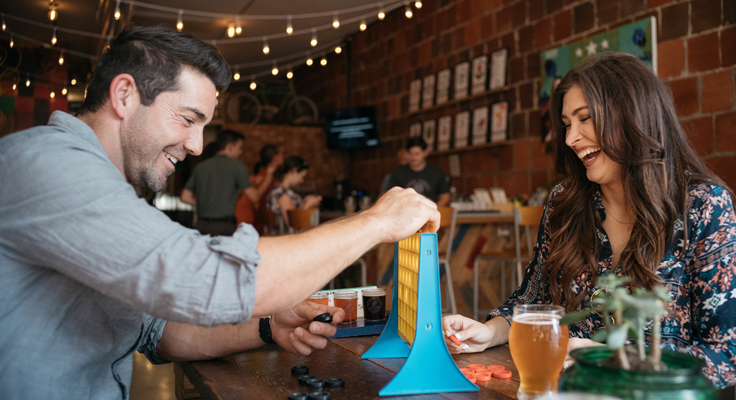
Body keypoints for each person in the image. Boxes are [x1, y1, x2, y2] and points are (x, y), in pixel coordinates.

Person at [0, 27, 440, 400]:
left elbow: (160, 331)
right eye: (188, 119)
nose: (195, 145)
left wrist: (267, 326)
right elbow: (207, 281)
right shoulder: (50, 165)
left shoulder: (106, 190)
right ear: (125, 95)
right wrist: (376, 221)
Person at [442, 52, 736, 389]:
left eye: (584, 118)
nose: (571, 138)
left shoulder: (702, 205)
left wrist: (617, 361)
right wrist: (490, 332)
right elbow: (532, 301)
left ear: (633, 115)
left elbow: (725, 356)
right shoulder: (563, 203)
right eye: (567, 124)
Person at [180, 130, 269, 236]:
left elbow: (185, 197)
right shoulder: (236, 166)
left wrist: (207, 203)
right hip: (224, 227)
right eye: (240, 148)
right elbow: (254, 197)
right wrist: (268, 178)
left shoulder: (201, 166)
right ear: (230, 147)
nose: (241, 152)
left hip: (201, 225)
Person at [235, 144, 284, 235]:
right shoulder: (264, 178)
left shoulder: (260, 177)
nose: (282, 157)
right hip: (260, 225)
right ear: (275, 157)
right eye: (281, 154)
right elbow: (261, 202)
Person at [388, 136, 451, 207]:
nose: (413, 157)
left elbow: (445, 196)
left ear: (426, 152)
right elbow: (391, 197)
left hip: (430, 215)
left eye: (417, 154)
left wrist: (432, 211)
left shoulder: (437, 172)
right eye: (410, 154)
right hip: (406, 215)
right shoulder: (398, 173)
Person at [267, 156, 323, 233]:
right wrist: (308, 205)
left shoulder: (278, 191)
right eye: (302, 176)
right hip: (287, 241)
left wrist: (304, 202)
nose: (301, 180)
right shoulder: (282, 195)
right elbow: (293, 226)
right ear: (294, 171)